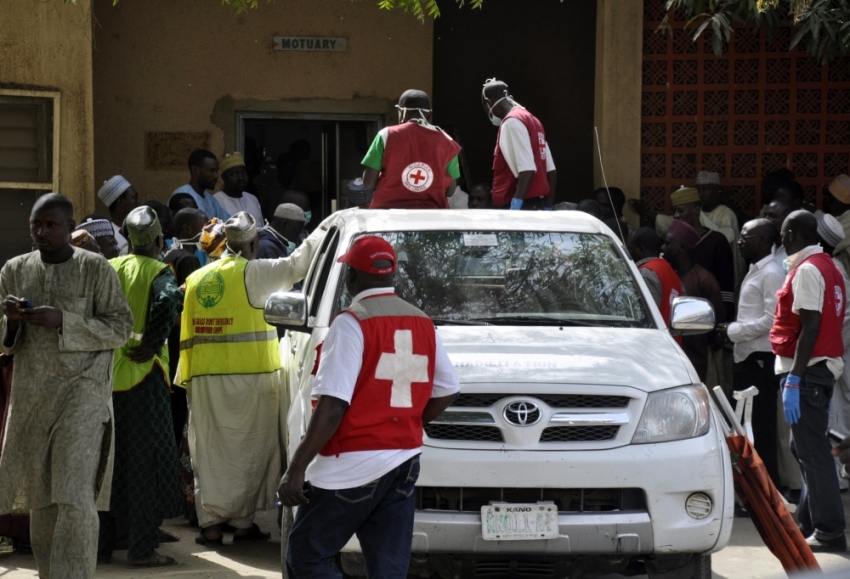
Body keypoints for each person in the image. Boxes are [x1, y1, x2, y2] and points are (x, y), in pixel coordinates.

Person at [279, 236, 460, 578]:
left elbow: (332, 405)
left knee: (306, 557)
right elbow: (449, 389)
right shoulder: (421, 320)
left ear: (350, 276)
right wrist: (407, 422)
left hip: (349, 465)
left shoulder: (351, 323)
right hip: (403, 461)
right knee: (389, 570)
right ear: (393, 275)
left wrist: (296, 467)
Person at [0, 193, 133, 578]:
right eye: (36, 226)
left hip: (83, 395)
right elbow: (2, 340)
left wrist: (65, 321)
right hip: (33, 397)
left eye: (51, 225)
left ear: (69, 225)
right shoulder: (14, 270)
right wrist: (11, 321)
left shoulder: (95, 269)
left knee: (73, 495)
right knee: (42, 498)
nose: (42, 232)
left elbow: (121, 328)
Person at [178, 212, 323, 546]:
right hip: (251, 376)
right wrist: (325, 228)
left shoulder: (199, 277)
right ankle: (243, 524)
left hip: (202, 377)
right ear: (254, 242)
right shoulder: (254, 272)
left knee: (211, 452)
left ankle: (211, 525)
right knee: (249, 450)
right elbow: (296, 265)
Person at [97, 207, 183, 568]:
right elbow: (166, 300)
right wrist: (154, 338)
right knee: (147, 464)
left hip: (108, 379)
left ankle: (102, 546)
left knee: (109, 465)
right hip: (144, 377)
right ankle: (142, 549)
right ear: (159, 240)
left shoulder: (111, 268)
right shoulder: (160, 271)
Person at [770, 210, 846, 552]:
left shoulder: (808, 270)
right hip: (820, 369)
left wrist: (795, 379)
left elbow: (811, 327)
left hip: (809, 372)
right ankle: (811, 523)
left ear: (797, 233)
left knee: (812, 452)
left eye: (785, 232)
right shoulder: (831, 267)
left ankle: (829, 530)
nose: (782, 239)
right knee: (804, 448)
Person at [715, 219, 785, 487]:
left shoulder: (771, 273)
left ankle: (769, 493)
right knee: (749, 429)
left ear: (764, 240)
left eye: (747, 237)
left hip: (761, 361)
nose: (741, 241)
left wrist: (733, 331)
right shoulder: (757, 270)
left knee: (761, 430)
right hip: (749, 359)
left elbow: (771, 320)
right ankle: (758, 492)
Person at [363, 90, 462, 209]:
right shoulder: (448, 142)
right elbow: (450, 191)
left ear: (401, 112)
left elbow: (368, 183)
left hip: (388, 216)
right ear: (429, 115)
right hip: (432, 218)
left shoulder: (386, 135)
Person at [662, 220, 724, 381]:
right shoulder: (665, 274)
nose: (663, 248)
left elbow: (717, 321)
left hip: (695, 361)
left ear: (682, 248)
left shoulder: (704, 280)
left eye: (667, 244)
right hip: (668, 357)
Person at [482, 78, 556, 210]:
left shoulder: (511, 123)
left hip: (520, 206)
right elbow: (551, 171)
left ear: (489, 103)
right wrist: (548, 207)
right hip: (535, 205)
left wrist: (515, 208)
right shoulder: (533, 120)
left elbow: (527, 169)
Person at [815, 214, 850, 492]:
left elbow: (844, 316)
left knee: (836, 416)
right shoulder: (830, 266)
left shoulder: (831, 270)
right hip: (834, 352)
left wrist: (829, 348)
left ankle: (839, 477)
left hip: (836, 354)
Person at [669, 187, 735, 322]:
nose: (676, 215)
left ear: (696, 209)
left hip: (707, 316)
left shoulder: (717, 241)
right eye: (674, 211)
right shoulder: (672, 243)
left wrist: (722, 322)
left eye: (680, 210)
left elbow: (726, 288)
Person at [626, 227, 682, 331]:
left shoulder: (646, 273)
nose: (626, 253)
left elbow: (644, 319)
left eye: (629, 248)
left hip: (657, 341)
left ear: (641, 249)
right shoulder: (668, 269)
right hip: (672, 342)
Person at [694, 171, 744, 283]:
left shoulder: (726, 214)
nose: (701, 193)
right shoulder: (697, 212)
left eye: (705, 189)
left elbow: (724, 241)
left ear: (717, 192)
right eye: (698, 190)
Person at [170, 149, 230, 222]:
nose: (216, 176)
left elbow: (227, 222)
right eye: (211, 170)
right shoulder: (182, 196)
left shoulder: (211, 200)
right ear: (195, 170)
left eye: (217, 171)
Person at [215, 152, 264, 224]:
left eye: (243, 173)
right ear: (223, 177)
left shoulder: (252, 199)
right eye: (234, 174)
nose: (241, 178)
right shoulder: (216, 201)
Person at [97, 175, 140, 256]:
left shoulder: (139, 228)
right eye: (134, 197)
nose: (138, 201)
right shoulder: (109, 236)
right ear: (121, 201)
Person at [825, 175, 850, 275]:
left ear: (831, 200)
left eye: (826, 196)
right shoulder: (842, 218)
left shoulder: (847, 222)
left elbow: (825, 246)